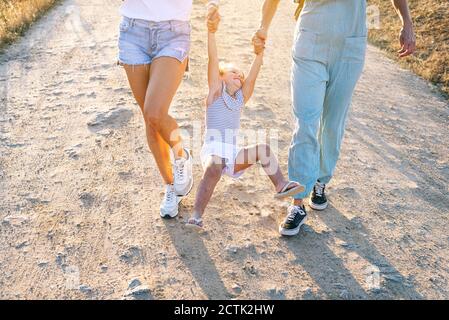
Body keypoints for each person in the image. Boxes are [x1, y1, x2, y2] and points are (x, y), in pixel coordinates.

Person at [252, 0, 416, 236]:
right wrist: (263, 26)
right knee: (306, 121)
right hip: (310, 39)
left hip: (350, 44)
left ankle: (321, 180)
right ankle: (297, 202)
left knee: (333, 123)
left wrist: (407, 22)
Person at [185, 9, 304, 229]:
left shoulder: (240, 98)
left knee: (263, 149)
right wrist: (211, 32)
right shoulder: (215, 91)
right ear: (220, 77)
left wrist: (259, 53)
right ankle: (197, 214)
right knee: (214, 167)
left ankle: (281, 185)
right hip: (213, 150)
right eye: (233, 72)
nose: (239, 75)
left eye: (240, 74)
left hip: (232, 152)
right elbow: (213, 59)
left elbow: (253, 74)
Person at [117, 0, 220, 219]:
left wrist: (213, 4)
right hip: (132, 30)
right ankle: (171, 186)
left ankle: (181, 154)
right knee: (150, 119)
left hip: (173, 32)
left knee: (155, 111)